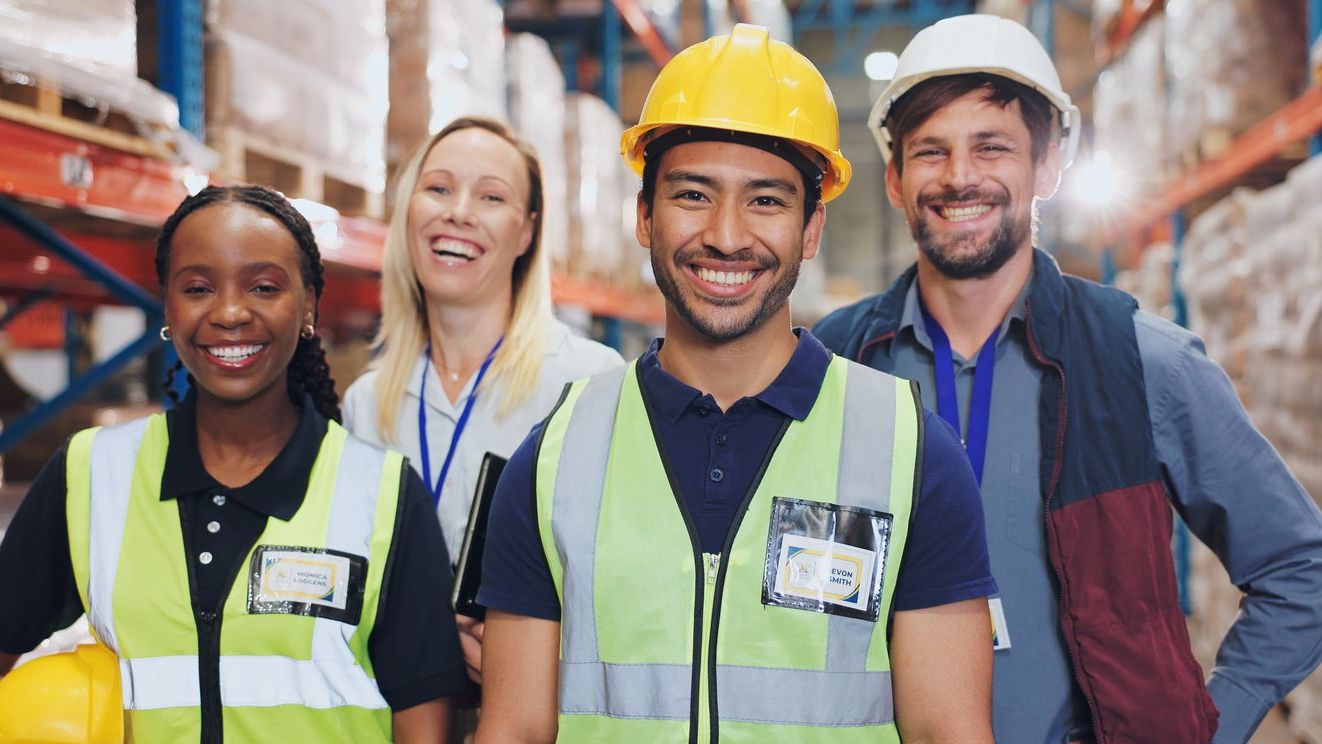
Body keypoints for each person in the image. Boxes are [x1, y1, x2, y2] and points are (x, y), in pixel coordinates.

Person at [474, 24, 997, 743]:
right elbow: (514, 732)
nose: (725, 235)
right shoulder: (557, 456)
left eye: (766, 201)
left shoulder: (911, 455)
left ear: (812, 231)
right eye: (692, 194)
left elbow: (951, 733)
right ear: (644, 217)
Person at [814, 14, 1322, 744]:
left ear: (1047, 166)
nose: (960, 177)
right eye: (931, 151)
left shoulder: (1141, 361)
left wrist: (1207, 726)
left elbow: (1300, 568)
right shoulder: (838, 364)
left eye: (993, 146)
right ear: (894, 179)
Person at [0, 185, 468, 742]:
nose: (228, 313)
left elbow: (423, 722)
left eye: (264, 287)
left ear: (309, 306)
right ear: (169, 307)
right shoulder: (89, 475)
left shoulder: (383, 494)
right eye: (197, 288)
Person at [341, 116, 622, 686]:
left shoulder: (587, 381)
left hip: (531, 710)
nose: (459, 212)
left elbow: (618, 584)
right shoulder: (368, 403)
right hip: (401, 705)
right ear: (409, 212)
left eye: (491, 196)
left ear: (525, 233)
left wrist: (530, 652)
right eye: (438, 188)